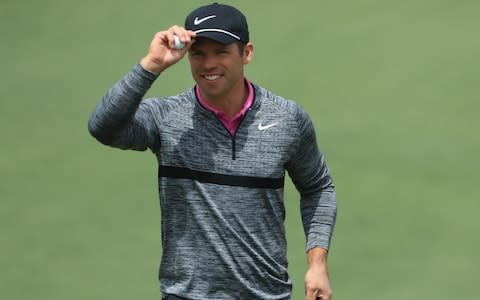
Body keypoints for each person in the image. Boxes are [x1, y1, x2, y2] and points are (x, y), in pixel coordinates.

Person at [88, 3, 337, 300]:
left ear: (246, 53)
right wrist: (152, 64)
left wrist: (317, 264)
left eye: (221, 52)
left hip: (267, 295)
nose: (208, 64)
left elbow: (318, 188)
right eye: (199, 53)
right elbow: (103, 127)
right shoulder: (166, 117)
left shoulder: (286, 120)